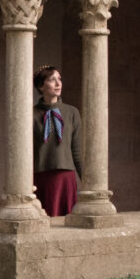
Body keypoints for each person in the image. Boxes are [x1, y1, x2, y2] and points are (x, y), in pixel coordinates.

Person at [32, 65, 82, 217]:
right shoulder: (30, 113)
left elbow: (76, 149)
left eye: (59, 79)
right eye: (52, 79)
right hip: (41, 175)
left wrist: (88, 180)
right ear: (41, 86)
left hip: (66, 176)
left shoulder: (72, 112)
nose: (58, 83)